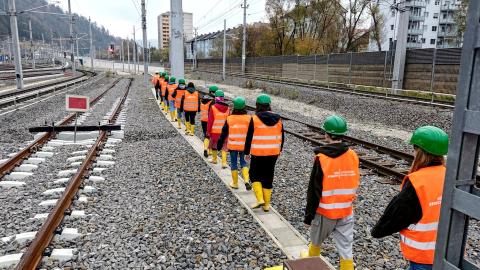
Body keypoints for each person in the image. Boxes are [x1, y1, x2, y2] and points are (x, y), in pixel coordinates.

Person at [371, 126, 449, 270]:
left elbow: (398, 213)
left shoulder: (417, 181)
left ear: (419, 151)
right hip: (450, 253)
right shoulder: (450, 176)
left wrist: (378, 231)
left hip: (424, 257)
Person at [301, 115, 359, 270]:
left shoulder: (321, 158)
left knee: (315, 242)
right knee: (346, 250)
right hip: (346, 211)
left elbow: (314, 191)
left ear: (326, 134)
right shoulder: (353, 155)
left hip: (324, 212)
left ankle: (310, 265)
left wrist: (308, 217)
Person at [244, 94, 284, 212]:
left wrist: (246, 152)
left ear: (257, 106)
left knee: (254, 174)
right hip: (273, 153)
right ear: (269, 105)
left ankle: (259, 199)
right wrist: (279, 149)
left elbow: (249, 137)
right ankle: (266, 205)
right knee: (268, 176)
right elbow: (282, 136)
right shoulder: (278, 118)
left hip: (258, 152)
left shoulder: (254, 118)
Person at [217, 96, 252, 190]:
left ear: (234, 107)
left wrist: (219, 145)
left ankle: (235, 183)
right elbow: (251, 133)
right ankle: (246, 180)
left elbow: (223, 133)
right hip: (244, 146)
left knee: (233, 163)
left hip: (233, 145)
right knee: (244, 163)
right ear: (244, 107)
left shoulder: (230, 118)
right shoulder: (249, 118)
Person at [207, 90, 230, 167]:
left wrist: (208, 131)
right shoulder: (228, 109)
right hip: (225, 132)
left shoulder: (213, 107)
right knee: (224, 146)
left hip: (215, 131)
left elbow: (210, 121)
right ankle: (224, 163)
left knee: (214, 145)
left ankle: (215, 159)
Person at [200, 86, 217, 157]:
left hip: (203, 119)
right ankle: (209, 150)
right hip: (210, 121)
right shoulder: (213, 101)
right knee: (211, 135)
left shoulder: (203, 99)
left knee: (206, 135)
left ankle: (205, 149)